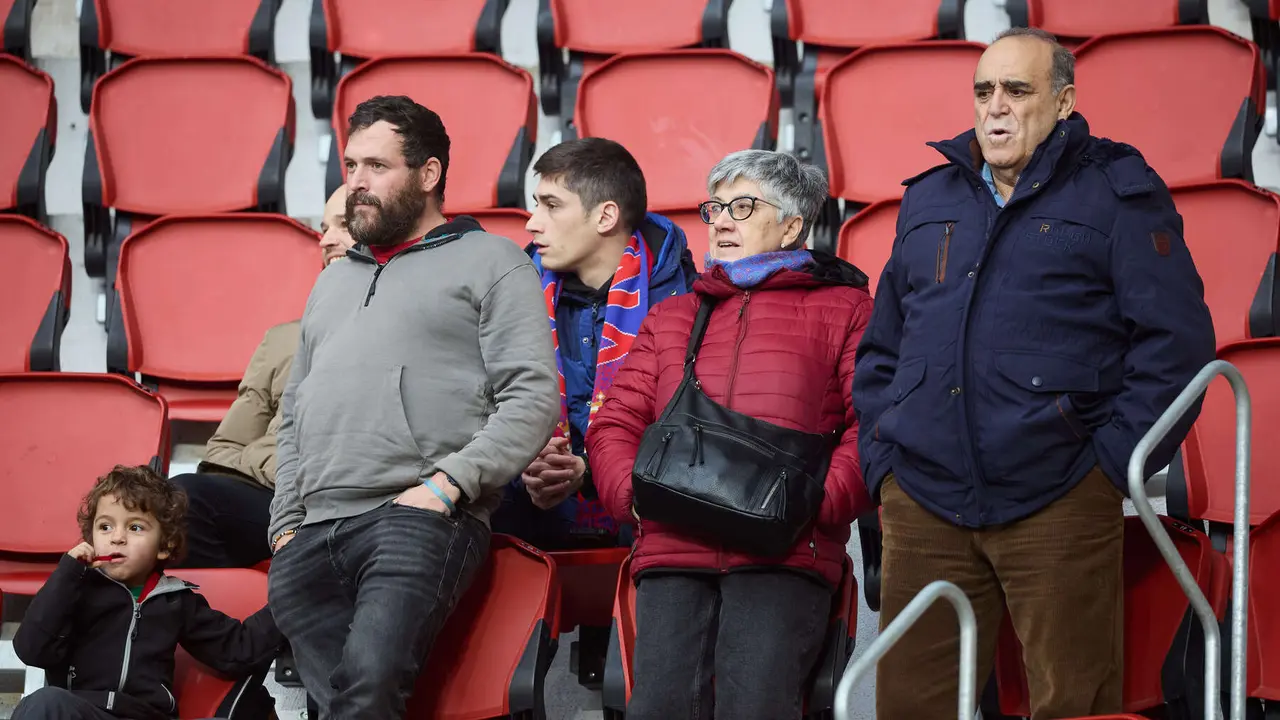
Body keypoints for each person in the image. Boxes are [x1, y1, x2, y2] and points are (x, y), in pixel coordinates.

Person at [851, 27, 1216, 719]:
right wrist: (884, 462)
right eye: (984, 91)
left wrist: (1110, 463)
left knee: (1074, 703)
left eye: (1018, 91)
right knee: (909, 706)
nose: (996, 108)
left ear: (1064, 101)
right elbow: (882, 348)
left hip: (1059, 495)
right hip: (923, 497)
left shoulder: (1119, 194)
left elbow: (1177, 345)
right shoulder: (929, 199)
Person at [266, 95, 560, 719]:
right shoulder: (333, 278)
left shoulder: (494, 261)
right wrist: (285, 524)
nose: (356, 185)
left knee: (368, 693)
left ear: (428, 175)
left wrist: (449, 485)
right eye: (350, 166)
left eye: (376, 167)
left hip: (415, 518)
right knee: (348, 706)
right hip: (309, 535)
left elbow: (532, 398)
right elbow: (295, 412)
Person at [587, 149, 873, 720]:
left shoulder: (848, 309)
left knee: (756, 707)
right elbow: (614, 423)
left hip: (784, 553)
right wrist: (633, 500)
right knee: (658, 709)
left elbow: (877, 425)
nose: (719, 221)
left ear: (792, 225)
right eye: (714, 206)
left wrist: (817, 504)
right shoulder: (672, 315)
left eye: (742, 207)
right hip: (673, 548)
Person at [490, 137, 697, 550]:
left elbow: (689, 435)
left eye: (551, 205)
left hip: (645, 520)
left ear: (605, 217)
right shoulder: (513, 291)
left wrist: (585, 470)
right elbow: (481, 409)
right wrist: (527, 466)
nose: (532, 223)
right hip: (529, 511)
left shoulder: (687, 304)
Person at [169, 185, 355, 569]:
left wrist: (262, 457)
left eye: (344, 225)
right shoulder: (284, 337)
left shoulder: (403, 334)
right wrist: (274, 464)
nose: (326, 240)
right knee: (160, 507)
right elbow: (222, 451)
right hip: (262, 494)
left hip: (331, 503)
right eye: (324, 227)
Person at [12, 465, 282, 720]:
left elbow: (237, 649)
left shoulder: (176, 600)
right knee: (43, 703)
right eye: (105, 527)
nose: (117, 537)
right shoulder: (75, 590)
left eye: (135, 527)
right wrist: (66, 575)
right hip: (84, 711)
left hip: (148, 715)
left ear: (164, 546)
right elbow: (32, 650)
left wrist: (289, 599)